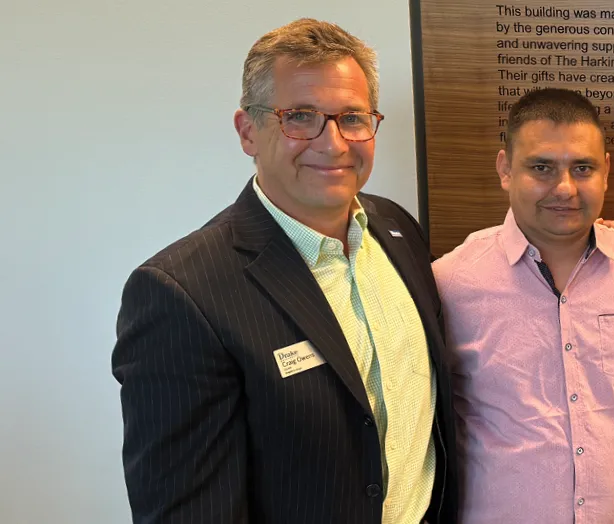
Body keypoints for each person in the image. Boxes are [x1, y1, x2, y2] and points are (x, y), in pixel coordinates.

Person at [111, 19, 457, 523]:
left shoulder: (398, 231)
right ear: (248, 131)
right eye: (300, 116)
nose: (334, 143)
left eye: (352, 118)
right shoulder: (181, 294)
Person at [431, 87, 614, 524]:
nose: (565, 188)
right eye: (542, 167)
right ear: (505, 169)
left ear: (606, 171)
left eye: (583, 168)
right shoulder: (450, 281)